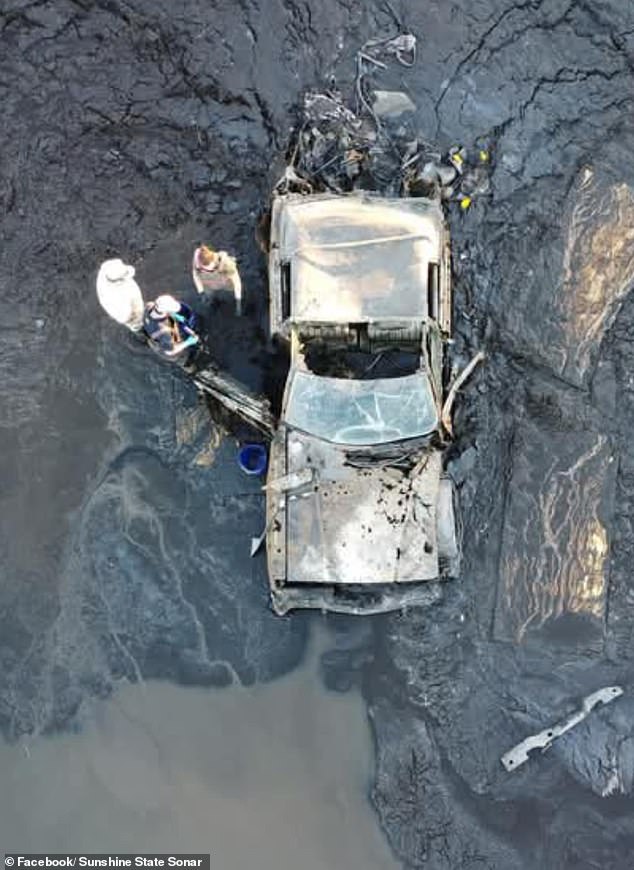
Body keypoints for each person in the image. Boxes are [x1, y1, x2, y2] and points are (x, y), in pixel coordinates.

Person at [143, 294, 200, 362]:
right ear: (165, 311)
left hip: (153, 331)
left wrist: (174, 317)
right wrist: (188, 342)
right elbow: (170, 352)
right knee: (185, 355)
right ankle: (187, 363)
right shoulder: (167, 332)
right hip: (168, 348)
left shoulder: (149, 305)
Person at [192, 244, 242, 315]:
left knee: (231, 288)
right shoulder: (197, 259)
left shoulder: (226, 263)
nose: (202, 269)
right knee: (208, 295)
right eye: (202, 268)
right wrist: (201, 291)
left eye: (209, 269)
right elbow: (195, 274)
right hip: (207, 283)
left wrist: (238, 301)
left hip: (225, 281)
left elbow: (237, 282)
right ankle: (214, 303)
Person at [96, 258, 144, 331]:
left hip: (129, 299)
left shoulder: (108, 270)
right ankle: (140, 330)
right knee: (136, 324)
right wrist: (134, 317)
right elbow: (124, 316)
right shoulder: (115, 298)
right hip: (129, 314)